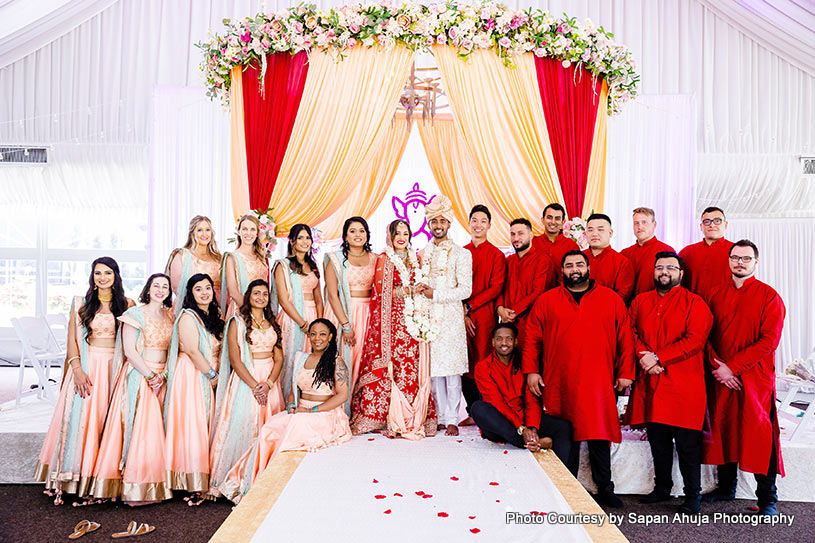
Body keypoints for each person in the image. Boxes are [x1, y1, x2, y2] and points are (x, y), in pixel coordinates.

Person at [522, 251, 634, 508]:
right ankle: (567, 486)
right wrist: (531, 371)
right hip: (560, 379)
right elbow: (531, 339)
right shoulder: (547, 300)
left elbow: (625, 338)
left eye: (579, 264)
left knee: (599, 435)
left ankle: (605, 488)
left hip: (599, 380)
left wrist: (625, 373)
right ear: (562, 270)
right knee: (566, 434)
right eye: (569, 265)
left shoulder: (611, 299)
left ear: (588, 267)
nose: (575, 269)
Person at [36, 257, 134, 505]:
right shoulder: (80, 304)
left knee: (108, 422)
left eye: (108, 273)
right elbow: (72, 340)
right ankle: (75, 478)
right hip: (87, 368)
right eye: (98, 273)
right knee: (84, 421)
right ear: (92, 277)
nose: (102, 278)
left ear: (116, 276)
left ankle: (103, 478)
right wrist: (76, 369)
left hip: (115, 368)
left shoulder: (127, 304)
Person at [702, 240, 786, 515]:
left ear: (755, 262)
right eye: (735, 257)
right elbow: (706, 335)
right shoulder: (714, 294)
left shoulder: (769, 296)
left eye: (746, 258)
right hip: (722, 376)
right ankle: (727, 488)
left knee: (759, 433)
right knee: (724, 429)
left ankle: (768, 499)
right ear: (729, 261)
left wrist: (733, 367)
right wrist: (719, 367)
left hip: (754, 378)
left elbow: (768, 341)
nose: (740, 262)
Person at [625, 252, 712, 514]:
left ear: (681, 273)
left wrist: (659, 357)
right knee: (658, 440)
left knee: (687, 445)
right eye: (659, 267)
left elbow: (695, 339)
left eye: (671, 268)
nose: (664, 272)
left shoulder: (695, 303)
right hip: (651, 383)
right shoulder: (641, 301)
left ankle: (692, 495)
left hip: (684, 385)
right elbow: (630, 331)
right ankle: (662, 488)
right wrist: (645, 357)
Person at [225, 319, 351, 496]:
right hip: (300, 411)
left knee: (291, 432)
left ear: (330, 337)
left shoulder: (336, 362)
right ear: (308, 336)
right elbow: (294, 391)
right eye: (313, 334)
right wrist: (292, 404)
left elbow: (342, 396)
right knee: (269, 428)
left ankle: (275, 487)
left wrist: (311, 411)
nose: (317, 338)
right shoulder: (301, 358)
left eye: (323, 334)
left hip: (324, 414)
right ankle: (255, 483)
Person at [90, 273, 174, 505]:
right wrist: (150, 375)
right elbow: (130, 350)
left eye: (164, 286)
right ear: (148, 289)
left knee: (157, 432)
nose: (160, 290)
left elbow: (173, 350)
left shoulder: (170, 316)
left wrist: (163, 374)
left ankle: (152, 483)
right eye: (155, 285)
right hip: (141, 375)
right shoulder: (134, 314)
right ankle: (134, 486)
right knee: (141, 431)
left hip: (162, 376)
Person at [350, 220, 437, 439]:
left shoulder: (416, 259)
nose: (401, 237)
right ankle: (383, 416)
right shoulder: (385, 259)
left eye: (405, 233)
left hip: (414, 322)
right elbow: (381, 292)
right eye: (397, 233)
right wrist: (410, 290)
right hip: (392, 321)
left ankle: (412, 414)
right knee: (394, 365)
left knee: (411, 366)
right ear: (390, 235)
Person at [209, 280, 285, 503]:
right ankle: (235, 479)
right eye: (256, 293)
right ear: (248, 296)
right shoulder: (237, 322)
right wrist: (254, 385)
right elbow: (235, 358)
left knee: (267, 428)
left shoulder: (273, 323)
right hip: (246, 381)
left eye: (264, 294)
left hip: (270, 382)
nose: (260, 297)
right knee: (244, 425)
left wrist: (269, 384)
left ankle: (263, 478)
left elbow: (279, 357)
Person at [471, 323, 573, 463]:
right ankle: (531, 442)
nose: (504, 343)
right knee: (478, 408)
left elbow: (531, 399)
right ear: (493, 342)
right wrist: (522, 429)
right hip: (500, 424)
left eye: (509, 339)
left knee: (564, 427)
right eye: (499, 339)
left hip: (524, 418)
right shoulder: (483, 367)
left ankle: (566, 479)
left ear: (516, 341)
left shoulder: (524, 365)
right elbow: (496, 402)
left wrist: (532, 427)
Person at [163, 273, 224, 506]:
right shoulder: (188, 316)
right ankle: (189, 478)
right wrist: (212, 375)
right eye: (198, 289)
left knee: (205, 423)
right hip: (193, 374)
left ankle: (202, 475)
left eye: (207, 288)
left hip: (209, 372)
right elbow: (191, 349)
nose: (204, 293)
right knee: (194, 424)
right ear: (191, 293)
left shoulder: (214, 315)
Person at [417, 196, 472, 436]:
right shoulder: (421, 253)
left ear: (449, 224)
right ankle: (438, 416)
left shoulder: (462, 254)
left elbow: (465, 290)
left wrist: (436, 294)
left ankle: (452, 417)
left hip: (450, 317)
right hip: (428, 318)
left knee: (452, 371)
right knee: (434, 370)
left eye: (442, 221)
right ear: (428, 225)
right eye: (433, 221)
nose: (438, 225)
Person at [323, 216, 376, 397]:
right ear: (345, 236)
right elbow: (332, 295)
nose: (357, 235)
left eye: (361, 231)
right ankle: (340, 403)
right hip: (343, 313)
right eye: (352, 231)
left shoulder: (375, 259)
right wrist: (346, 325)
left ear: (367, 235)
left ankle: (361, 407)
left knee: (365, 359)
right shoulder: (335, 259)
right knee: (343, 359)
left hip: (368, 313)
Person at [463, 205, 506, 414]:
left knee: (482, 360)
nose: (478, 225)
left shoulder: (496, 254)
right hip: (461, 313)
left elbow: (496, 287)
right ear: (468, 223)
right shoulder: (461, 252)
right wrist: (463, 312)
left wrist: (471, 306)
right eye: (474, 220)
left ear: (489, 225)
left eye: (482, 221)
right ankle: (471, 409)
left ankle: (485, 409)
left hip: (484, 314)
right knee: (463, 360)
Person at [273, 224, 324, 400]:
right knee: (290, 360)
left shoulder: (313, 266)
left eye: (308, 238)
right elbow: (283, 300)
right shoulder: (283, 265)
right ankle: (286, 400)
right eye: (300, 238)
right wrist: (302, 323)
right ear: (293, 242)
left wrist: (320, 323)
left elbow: (318, 298)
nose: (305, 241)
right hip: (292, 318)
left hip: (312, 318)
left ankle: (305, 400)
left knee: (310, 360)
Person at [496, 218, 552, 348]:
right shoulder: (508, 261)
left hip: (531, 324)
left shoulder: (543, 260)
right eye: (513, 234)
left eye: (521, 233)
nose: (516, 238)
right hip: (507, 323)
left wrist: (514, 312)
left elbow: (539, 292)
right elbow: (499, 287)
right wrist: (500, 309)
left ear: (531, 235)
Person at [166, 215, 223, 312]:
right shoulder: (182, 255)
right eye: (200, 230)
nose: (204, 234)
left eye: (207, 230)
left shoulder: (218, 258)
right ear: (192, 233)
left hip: (216, 309)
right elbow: (177, 288)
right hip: (189, 309)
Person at [678, 207, 732, 302]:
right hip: (693, 309)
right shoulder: (687, 252)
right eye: (707, 221)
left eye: (717, 221)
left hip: (727, 308)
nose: (712, 225)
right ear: (701, 226)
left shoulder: (736, 251)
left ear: (726, 224)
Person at [221, 214, 270, 317]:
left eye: (252, 229)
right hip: (241, 310)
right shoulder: (232, 258)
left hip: (261, 310)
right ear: (239, 232)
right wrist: (251, 313)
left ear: (257, 233)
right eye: (244, 229)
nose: (248, 233)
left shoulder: (261, 257)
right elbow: (233, 292)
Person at [620, 207, 674, 297]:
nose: (640, 227)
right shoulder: (624, 253)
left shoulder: (667, 251)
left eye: (644, 222)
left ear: (654, 224)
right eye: (636, 223)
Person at [583, 213, 635, 304]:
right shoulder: (577, 258)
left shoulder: (622, 262)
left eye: (600, 229)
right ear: (585, 233)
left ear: (610, 233)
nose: (595, 234)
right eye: (590, 230)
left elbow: (622, 295)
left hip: (608, 312)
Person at [533, 203, 579, 284]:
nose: (553, 222)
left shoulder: (571, 245)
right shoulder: (533, 243)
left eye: (557, 218)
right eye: (549, 218)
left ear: (563, 222)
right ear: (542, 220)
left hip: (563, 293)